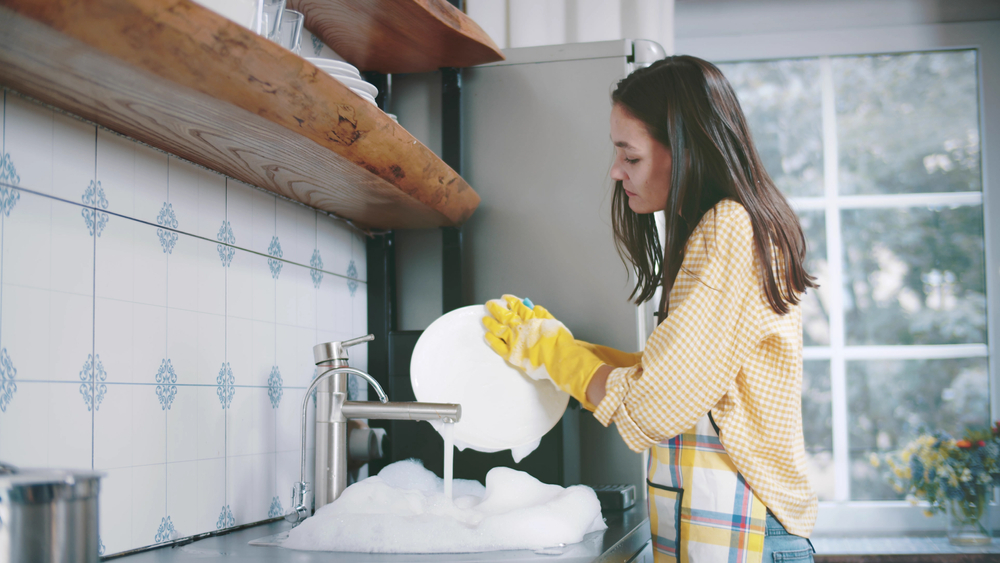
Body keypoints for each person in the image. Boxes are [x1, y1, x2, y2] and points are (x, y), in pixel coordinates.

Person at [482, 55, 819, 563]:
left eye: (630, 157)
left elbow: (654, 404)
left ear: (685, 150)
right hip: (732, 526)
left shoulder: (731, 228)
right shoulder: (725, 227)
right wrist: (566, 348)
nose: (616, 173)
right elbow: (688, 380)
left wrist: (557, 356)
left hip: (750, 530)